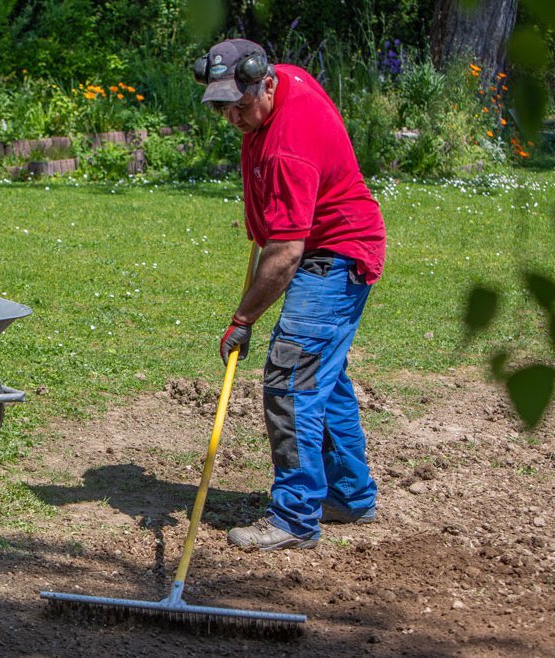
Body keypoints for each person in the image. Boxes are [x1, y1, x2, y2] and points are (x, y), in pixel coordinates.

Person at [195, 39, 386, 550]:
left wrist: (243, 319)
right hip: (328, 246)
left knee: (291, 378)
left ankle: (295, 518)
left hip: (333, 256)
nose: (234, 118)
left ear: (266, 82)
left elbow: (283, 256)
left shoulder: (287, 148)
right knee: (324, 376)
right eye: (224, 108)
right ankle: (348, 495)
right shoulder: (286, 79)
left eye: (241, 106)